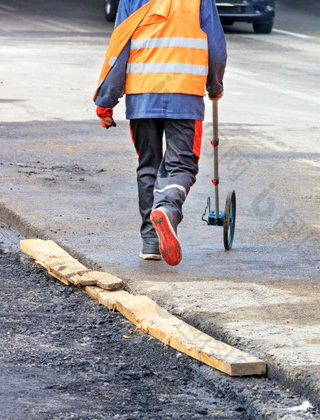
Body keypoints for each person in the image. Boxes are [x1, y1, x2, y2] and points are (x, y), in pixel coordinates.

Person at [94, 0, 226, 266]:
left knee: (148, 165)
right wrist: (215, 83)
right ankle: (167, 208)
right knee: (182, 163)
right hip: (184, 95)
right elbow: (215, 46)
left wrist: (106, 99)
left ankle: (152, 241)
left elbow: (119, 48)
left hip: (142, 96)